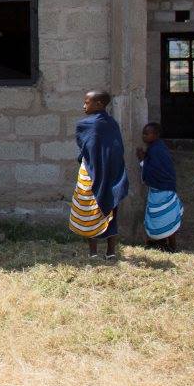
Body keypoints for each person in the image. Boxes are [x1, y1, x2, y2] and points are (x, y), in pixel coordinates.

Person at [69, 90, 130, 260]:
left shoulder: (88, 125)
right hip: (110, 174)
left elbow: (86, 150)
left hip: (91, 174)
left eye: (87, 102)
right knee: (109, 209)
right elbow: (117, 151)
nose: (83, 106)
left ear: (99, 104)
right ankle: (110, 252)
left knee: (91, 210)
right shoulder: (112, 124)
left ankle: (94, 253)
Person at [138, 122, 182, 251]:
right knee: (158, 217)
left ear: (156, 135)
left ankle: (172, 246)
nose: (144, 136)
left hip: (164, 190)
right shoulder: (155, 148)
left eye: (147, 134)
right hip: (158, 190)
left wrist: (142, 160)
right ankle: (160, 242)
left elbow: (155, 170)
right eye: (143, 133)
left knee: (167, 218)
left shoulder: (157, 149)